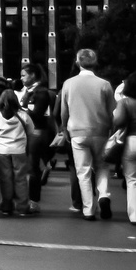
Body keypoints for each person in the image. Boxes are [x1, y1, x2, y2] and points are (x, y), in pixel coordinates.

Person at [58, 48, 116, 220]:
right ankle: (104, 195)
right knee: (102, 166)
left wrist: (64, 128)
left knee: (83, 171)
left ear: (78, 63)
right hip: (101, 131)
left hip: (77, 131)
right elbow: (113, 111)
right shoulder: (104, 84)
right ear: (95, 63)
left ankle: (88, 209)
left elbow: (64, 111)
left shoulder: (69, 83)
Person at [0, 88, 36, 215]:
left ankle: (6, 205)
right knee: (20, 178)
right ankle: (22, 206)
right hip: (19, 150)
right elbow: (31, 130)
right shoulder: (23, 115)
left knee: (6, 178)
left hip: (3, 151)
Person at [20, 62, 55, 205]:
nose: (21, 78)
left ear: (33, 75)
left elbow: (37, 114)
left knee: (32, 167)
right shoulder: (29, 91)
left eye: (24, 75)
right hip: (33, 132)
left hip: (36, 132)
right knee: (32, 166)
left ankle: (33, 201)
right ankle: (45, 166)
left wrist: (21, 110)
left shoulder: (40, 92)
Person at [114, 71, 136, 225]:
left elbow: (118, 121)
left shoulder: (126, 102)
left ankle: (135, 215)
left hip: (132, 140)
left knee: (132, 180)